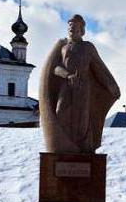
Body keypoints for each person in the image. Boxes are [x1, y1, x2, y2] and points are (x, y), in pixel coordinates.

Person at [39, 14, 120, 153]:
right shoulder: (63, 48)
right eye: (70, 24)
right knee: (60, 114)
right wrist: (67, 75)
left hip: (83, 89)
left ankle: (83, 149)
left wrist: (112, 86)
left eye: (75, 25)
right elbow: (55, 68)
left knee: (82, 121)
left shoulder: (88, 48)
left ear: (81, 29)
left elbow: (100, 69)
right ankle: (63, 148)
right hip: (66, 86)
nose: (71, 27)